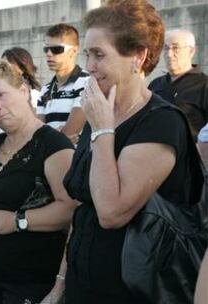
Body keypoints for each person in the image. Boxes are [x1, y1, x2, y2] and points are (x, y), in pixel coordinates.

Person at [57, 1, 204, 303]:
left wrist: (102, 129)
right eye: (87, 54)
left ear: (138, 56)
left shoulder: (161, 122)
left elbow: (111, 212)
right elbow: (83, 210)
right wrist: (60, 284)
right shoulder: (100, 112)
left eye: (99, 54)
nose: (89, 66)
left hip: (133, 290)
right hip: (81, 283)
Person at [0, 58, 77, 303]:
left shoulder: (52, 145)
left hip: (32, 278)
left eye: (1, 95)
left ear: (23, 92)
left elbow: (70, 209)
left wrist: (17, 221)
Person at [149, 29, 208, 140]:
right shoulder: (156, 84)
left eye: (175, 48)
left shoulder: (204, 85)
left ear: (191, 51)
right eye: (166, 48)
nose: (169, 54)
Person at [37, 23, 89, 144]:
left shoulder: (87, 83)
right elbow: (37, 135)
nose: (49, 54)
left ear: (74, 51)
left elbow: (70, 132)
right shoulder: (45, 90)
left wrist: (53, 139)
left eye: (56, 49)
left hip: (78, 161)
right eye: (46, 49)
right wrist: (59, 138)